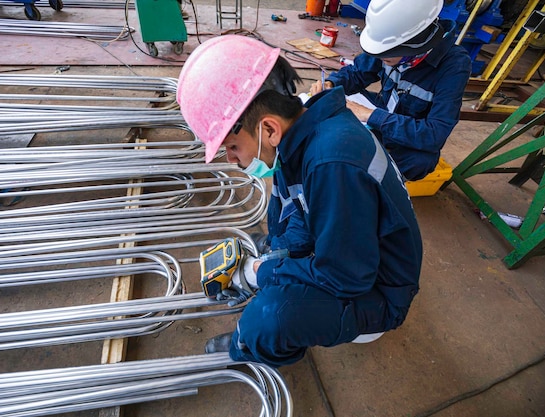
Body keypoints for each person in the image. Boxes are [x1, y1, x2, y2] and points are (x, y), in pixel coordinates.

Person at [176, 34, 422, 368]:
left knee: (269, 317)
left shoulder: (331, 164)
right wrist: (273, 258)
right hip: (357, 251)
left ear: (268, 129)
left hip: (378, 291)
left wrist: (261, 273)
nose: (232, 160)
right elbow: (299, 210)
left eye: (232, 147)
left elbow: (346, 277)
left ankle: (250, 346)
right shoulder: (304, 134)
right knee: (271, 243)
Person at [310, 0, 472, 181]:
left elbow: (435, 134)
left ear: (416, 42)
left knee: (421, 161)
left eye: (386, 52)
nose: (380, 57)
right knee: (337, 107)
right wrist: (331, 84)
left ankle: (377, 185)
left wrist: (370, 115)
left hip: (410, 134)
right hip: (385, 112)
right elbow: (357, 74)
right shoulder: (390, 43)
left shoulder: (454, 65)